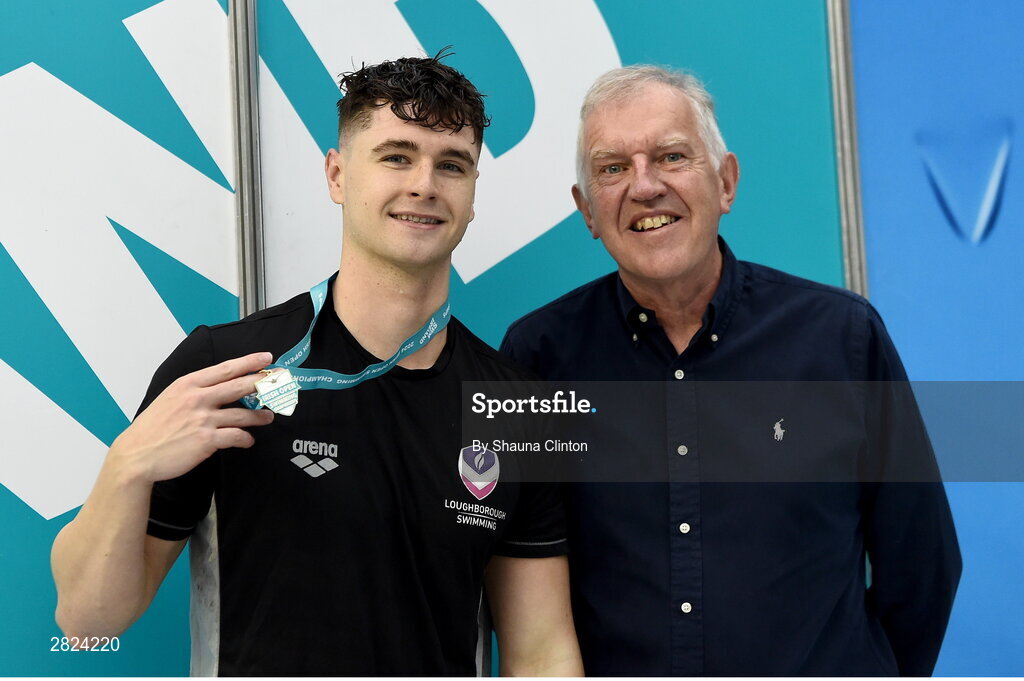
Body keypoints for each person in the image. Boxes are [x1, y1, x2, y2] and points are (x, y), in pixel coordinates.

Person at [51, 54, 582, 677]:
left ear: (470, 196)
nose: (424, 184)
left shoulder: (514, 406)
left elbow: (541, 649)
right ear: (337, 175)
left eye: (452, 165)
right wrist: (127, 467)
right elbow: (88, 623)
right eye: (396, 156)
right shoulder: (227, 371)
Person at [500, 65, 961, 676]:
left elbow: (922, 564)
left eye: (671, 156)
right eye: (613, 168)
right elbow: (515, 582)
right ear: (587, 211)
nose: (644, 186)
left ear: (726, 182)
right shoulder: (536, 358)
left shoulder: (841, 338)